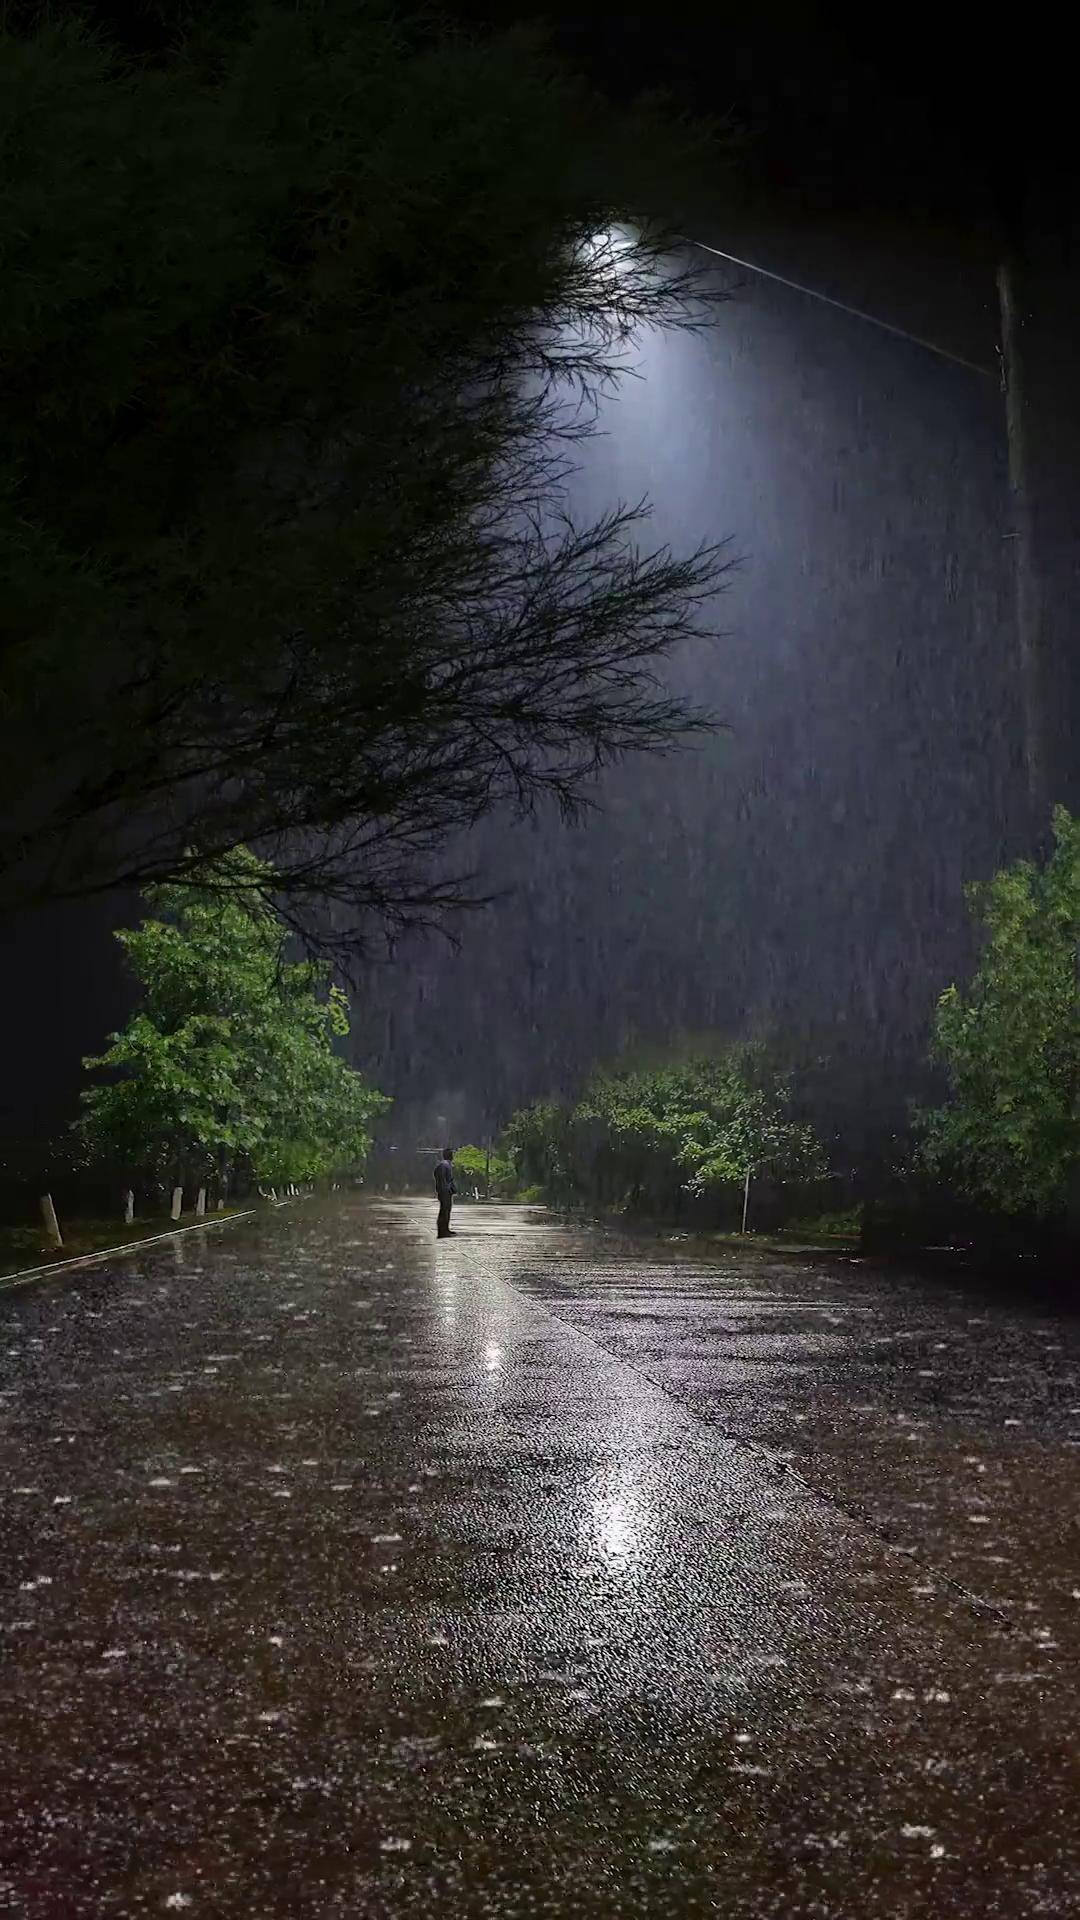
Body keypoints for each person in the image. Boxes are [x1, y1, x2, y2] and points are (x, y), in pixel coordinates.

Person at [434, 1146, 457, 1238]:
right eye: (451, 1154)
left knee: (447, 1211)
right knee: (444, 1211)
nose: (453, 1156)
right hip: (445, 1192)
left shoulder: (447, 1164)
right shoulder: (444, 1165)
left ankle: (446, 1229)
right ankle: (442, 1231)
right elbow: (442, 1179)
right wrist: (444, 1190)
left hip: (447, 1192)